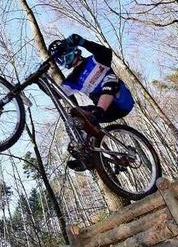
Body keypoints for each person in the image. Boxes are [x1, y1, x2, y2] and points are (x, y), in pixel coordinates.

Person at [55, 33, 135, 171]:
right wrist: (40, 80)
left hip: (120, 99)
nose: (63, 58)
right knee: (74, 115)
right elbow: (57, 94)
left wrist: (83, 42)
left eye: (63, 53)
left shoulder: (95, 59)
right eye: (59, 58)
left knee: (110, 78)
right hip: (105, 112)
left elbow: (105, 52)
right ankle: (89, 156)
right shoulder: (71, 79)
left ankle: (97, 113)